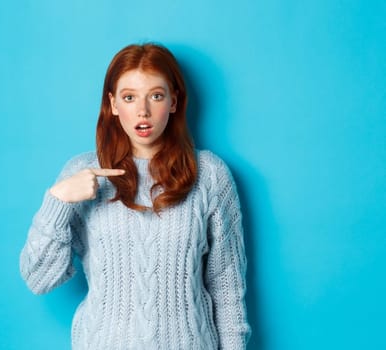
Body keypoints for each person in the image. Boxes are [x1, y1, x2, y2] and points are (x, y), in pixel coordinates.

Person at [19, 43, 250, 349]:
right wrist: (58, 201)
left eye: (156, 95)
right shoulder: (83, 172)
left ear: (173, 101)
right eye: (129, 97)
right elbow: (39, 279)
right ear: (113, 104)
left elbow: (227, 286)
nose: (143, 111)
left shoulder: (210, 175)